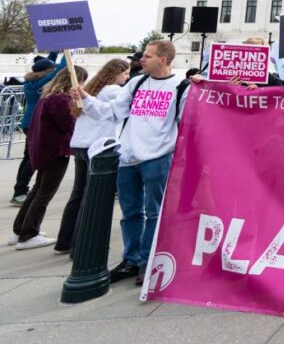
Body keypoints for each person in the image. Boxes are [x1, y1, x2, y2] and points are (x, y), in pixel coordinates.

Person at [70, 40, 188, 284]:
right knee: (130, 212)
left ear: (162, 59)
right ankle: (131, 259)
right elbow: (112, 112)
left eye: (147, 56)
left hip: (158, 157)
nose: (141, 60)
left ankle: (148, 259)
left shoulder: (180, 86)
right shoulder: (136, 83)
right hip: (127, 157)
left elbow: (188, 122)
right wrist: (86, 99)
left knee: (154, 212)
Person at [54, 59, 130, 254]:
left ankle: (65, 240)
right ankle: (81, 244)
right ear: (116, 74)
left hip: (80, 143)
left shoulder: (92, 87)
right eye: (125, 74)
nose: (127, 78)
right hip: (97, 146)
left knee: (78, 195)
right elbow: (124, 109)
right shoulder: (114, 91)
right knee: (92, 198)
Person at [9, 66, 87, 250]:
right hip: (55, 150)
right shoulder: (60, 100)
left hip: (45, 149)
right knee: (44, 193)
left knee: (37, 190)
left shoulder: (48, 96)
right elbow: (69, 124)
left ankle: (20, 229)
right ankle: (28, 233)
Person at [11, 53, 66, 205]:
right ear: (47, 71)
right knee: (31, 159)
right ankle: (20, 192)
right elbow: (60, 70)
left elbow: (48, 66)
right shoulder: (42, 83)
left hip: (29, 122)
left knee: (28, 158)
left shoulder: (31, 81)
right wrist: (69, 49)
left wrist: (54, 52)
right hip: (36, 123)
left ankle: (20, 189)